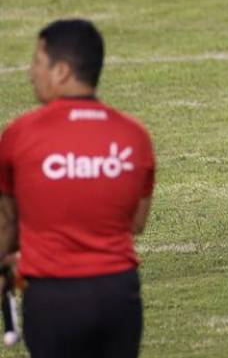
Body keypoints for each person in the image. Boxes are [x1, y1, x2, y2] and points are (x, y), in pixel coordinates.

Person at [0, 19, 155, 358]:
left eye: (37, 62)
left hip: (52, 299)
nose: (30, 73)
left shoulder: (19, 135)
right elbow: (136, 223)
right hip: (119, 295)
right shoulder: (135, 135)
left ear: (62, 71)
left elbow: (7, 224)